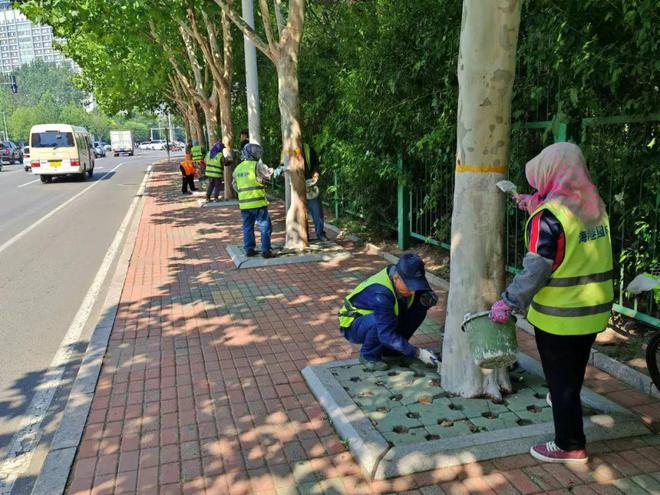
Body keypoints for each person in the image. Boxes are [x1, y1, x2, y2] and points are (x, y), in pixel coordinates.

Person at [490, 142, 613, 465]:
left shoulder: (549, 217)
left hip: (561, 316)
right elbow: (568, 235)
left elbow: (538, 266)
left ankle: (569, 443)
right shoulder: (593, 205)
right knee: (572, 370)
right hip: (593, 310)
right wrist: (533, 204)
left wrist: (509, 301)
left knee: (560, 378)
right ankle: (564, 400)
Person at [339, 253, 440, 371]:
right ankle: (368, 356)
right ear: (396, 277)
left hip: (382, 317)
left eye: (415, 285)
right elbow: (385, 333)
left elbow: (421, 289)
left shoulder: (405, 273)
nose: (413, 292)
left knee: (420, 308)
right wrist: (418, 353)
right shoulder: (380, 294)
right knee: (380, 323)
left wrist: (427, 297)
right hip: (354, 324)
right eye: (410, 286)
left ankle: (392, 351)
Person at [232, 143, 283, 258]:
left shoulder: (238, 168)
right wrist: (281, 168)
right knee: (265, 226)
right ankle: (266, 251)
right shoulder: (257, 165)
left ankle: (249, 249)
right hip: (258, 203)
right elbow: (270, 174)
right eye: (257, 152)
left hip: (244, 204)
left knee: (247, 226)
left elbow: (235, 186)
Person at [302, 142, 328, 241]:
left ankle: (320, 233)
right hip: (296, 187)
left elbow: (316, 164)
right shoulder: (286, 149)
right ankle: (304, 236)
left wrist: (316, 174)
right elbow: (282, 165)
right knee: (300, 213)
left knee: (317, 211)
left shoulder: (308, 148)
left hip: (310, 184)